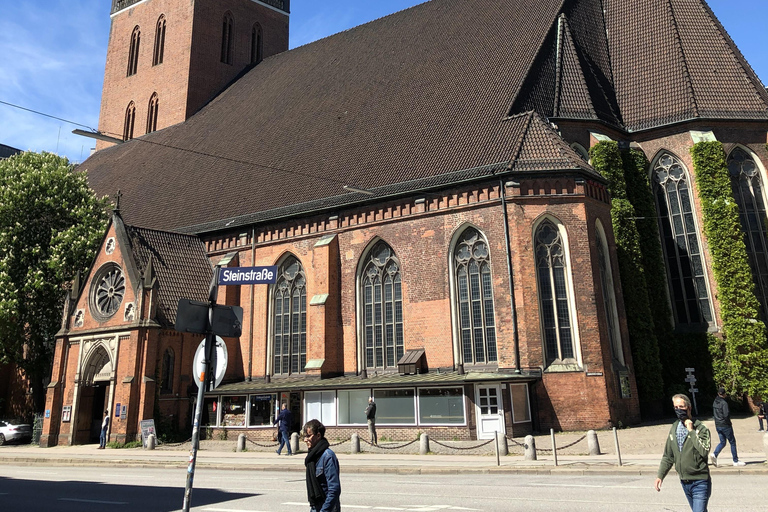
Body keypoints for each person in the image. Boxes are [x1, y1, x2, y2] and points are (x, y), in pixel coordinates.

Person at [654, 394, 711, 512]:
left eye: (681, 406)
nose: (679, 410)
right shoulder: (674, 428)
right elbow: (668, 456)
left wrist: (691, 431)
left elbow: (704, 451)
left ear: (689, 407)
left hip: (700, 481)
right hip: (684, 482)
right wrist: (660, 475)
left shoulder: (700, 428)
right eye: (676, 407)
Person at [303, 419, 340, 512]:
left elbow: (334, 490)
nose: (305, 439)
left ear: (318, 435)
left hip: (327, 508)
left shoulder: (328, 456)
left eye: (309, 436)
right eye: (305, 436)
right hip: (316, 506)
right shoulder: (312, 456)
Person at [711, 387, 745, 467]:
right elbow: (726, 415)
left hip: (718, 424)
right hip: (725, 425)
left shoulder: (715, 402)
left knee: (722, 442)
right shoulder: (724, 403)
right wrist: (729, 423)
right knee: (732, 442)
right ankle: (735, 460)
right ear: (724, 394)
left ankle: (715, 454)